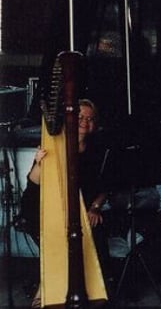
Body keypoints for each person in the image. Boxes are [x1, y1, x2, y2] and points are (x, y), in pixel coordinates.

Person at [18, 99, 111, 306]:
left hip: (81, 211)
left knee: (87, 235)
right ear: (69, 119)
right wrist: (40, 162)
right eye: (79, 117)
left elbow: (104, 188)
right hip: (40, 206)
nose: (85, 122)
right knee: (58, 236)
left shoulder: (97, 151)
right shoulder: (53, 143)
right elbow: (33, 180)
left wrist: (95, 207)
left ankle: (82, 290)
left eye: (90, 119)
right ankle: (45, 292)